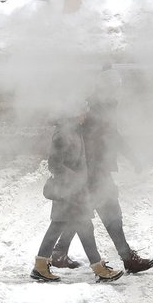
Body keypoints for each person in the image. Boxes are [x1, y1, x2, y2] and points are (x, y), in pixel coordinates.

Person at [50, 67, 153, 274]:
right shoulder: (93, 106)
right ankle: (127, 259)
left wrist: (132, 156)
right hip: (92, 169)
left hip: (95, 167)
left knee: (82, 212)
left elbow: (112, 134)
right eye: (114, 86)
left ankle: (59, 252)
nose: (117, 90)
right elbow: (80, 134)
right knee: (108, 212)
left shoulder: (105, 104)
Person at [31, 102, 124, 283]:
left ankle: (41, 266)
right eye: (82, 111)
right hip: (68, 191)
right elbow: (54, 164)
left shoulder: (74, 132)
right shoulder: (63, 135)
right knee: (79, 226)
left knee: (70, 227)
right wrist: (74, 179)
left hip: (75, 190)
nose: (85, 114)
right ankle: (98, 268)